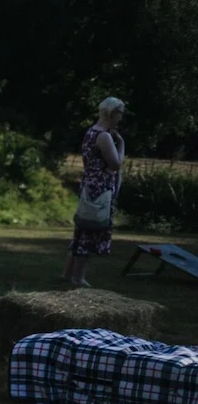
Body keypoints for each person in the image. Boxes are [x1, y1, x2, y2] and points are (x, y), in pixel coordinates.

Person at [63, 96, 126, 288]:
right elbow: (115, 164)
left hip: (89, 184)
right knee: (91, 230)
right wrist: (121, 144)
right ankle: (78, 277)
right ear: (112, 113)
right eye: (120, 114)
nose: (121, 118)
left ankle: (68, 273)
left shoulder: (90, 132)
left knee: (82, 229)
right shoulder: (104, 136)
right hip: (100, 188)